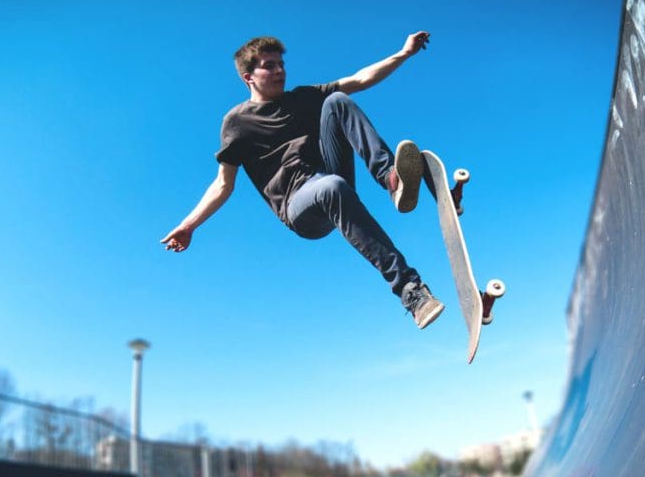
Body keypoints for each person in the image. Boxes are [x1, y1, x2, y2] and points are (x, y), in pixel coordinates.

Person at [161, 31, 445, 329]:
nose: (279, 70)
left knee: (337, 100)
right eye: (269, 66)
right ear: (249, 77)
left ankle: (391, 180)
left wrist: (404, 53)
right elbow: (223, 184)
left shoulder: (303, 98)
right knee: (330, 187)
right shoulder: (236, 123)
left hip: (330, 177)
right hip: (300, 209)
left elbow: (360, 79)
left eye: (281, 64)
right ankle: (410, 291)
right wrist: (189, 225)